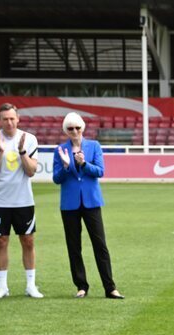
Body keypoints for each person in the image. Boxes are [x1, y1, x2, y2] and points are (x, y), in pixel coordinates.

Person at [52, 112, 124, 299]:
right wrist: (67, 167)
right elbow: (56, 178)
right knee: (74, 246)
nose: (74, 131)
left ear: (82, 128)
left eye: (77, 127)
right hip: (69, 204)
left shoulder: (94, 146)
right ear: (66, 130)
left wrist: (83, 164)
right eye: (70, 128)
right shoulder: (60, 150)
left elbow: (100, 171)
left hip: (91, 201)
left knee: (100, 244)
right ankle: (81, 286)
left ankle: (110, 287)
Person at [0, 103, 43, 299]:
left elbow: (31, 171)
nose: (9, 122)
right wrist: (0, 152)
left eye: (12, 118)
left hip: (23, 200)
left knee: (28, 240)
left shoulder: (29, 140)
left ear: (18, 119)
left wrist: (22, 151)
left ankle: (31, 285)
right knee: (1, 241)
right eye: (5, 119)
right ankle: (2, 286)